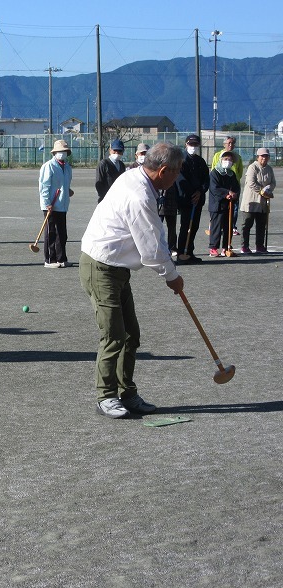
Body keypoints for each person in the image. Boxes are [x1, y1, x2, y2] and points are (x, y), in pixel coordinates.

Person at [79, 142, 185, 419]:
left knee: (130, 335)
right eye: (177, 172)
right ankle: (106, 396)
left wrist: (169, 269)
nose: (178, 178)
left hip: (117, 267)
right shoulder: (139, 195)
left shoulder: (136, 177)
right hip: (101, 267)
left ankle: (127, 393)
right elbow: (151, 251)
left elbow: (155, 235)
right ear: (163, 171)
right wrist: (172, 277)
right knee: (113, 335)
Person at [38, 139, 74, 268]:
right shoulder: (49, 166)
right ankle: (50, 259)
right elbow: (44, 186)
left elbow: (65, 184)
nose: (62, 153)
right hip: (51, 205)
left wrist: (68, 191)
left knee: (62, 233)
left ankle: (61, 258)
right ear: (55, 153)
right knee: (51, 232)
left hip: (62, 204)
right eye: (60, 151)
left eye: (64, 151)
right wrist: (47, 203)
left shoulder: (67, 167)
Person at [176, 134, 210, 264]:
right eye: (191, 144)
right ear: (186, 144)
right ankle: (181, 253)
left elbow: (206, 180)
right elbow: (181, 180)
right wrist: (192, 194)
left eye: (196, 145)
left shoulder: (200, 161)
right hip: (186, 199)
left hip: (198, 199)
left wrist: (200, 191)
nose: (193, 147)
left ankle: (190, 252)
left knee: (194, 226)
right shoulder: (181, 160)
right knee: (185, 226)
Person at [238, 147, 276, 254]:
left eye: (266, 156)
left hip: (263, 202)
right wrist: (262, 191)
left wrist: (269, 189)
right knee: (247, 224)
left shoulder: (269, 168)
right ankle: (244, 246)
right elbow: (251, 182)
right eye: (262, 156)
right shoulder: (252, 167)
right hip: (251, 201)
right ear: (258, 157)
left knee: (261, 225)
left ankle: (260, 246)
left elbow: (273, 182)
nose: (264, 158)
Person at [207, 150, 241, 257]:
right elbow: (214, 188)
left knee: (228, 227)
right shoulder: (214, 173)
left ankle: (226, 247)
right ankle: (213, 247)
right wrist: (226, 193)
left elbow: (236, 187)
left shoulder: (232, 174)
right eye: (226, 159)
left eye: (230, 160)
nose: (228, 161)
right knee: (216, 227)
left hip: (229, 204)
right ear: (221, 160)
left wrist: (234, 194)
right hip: (217, 205)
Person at [211, 136, 244, 237]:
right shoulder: (217, 155)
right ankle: (215, 227)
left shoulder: (237, 157)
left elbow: (240, 172)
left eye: (233, 143)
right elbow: (213, 169)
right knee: (219, 210)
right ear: (224, 144)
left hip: (233, 187)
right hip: (221, 188)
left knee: (234, 209)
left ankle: (232, 227)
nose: (231, 145)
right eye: (229, 143)